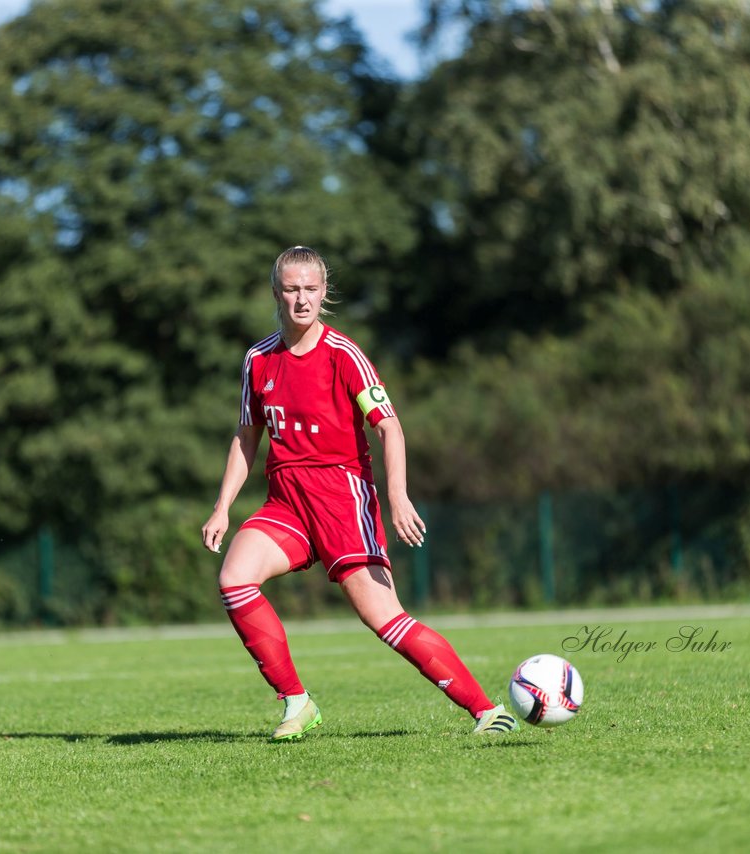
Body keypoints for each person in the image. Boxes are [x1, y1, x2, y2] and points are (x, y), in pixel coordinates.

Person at [201, 245, 516, 741]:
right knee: (235, 580)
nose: (301, 299)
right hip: (286, 502)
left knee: (383, 618)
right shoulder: (257, 359)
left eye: (311, 289)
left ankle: (484, 710)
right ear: (276, 293)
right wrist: (221, 507)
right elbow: (246, 436)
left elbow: (389, 427)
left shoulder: (343, 354)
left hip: (342, 500)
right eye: (291, 289)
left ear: (324, 293)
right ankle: (296, 702)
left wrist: (398, 496)